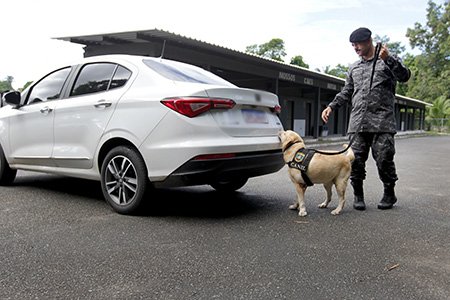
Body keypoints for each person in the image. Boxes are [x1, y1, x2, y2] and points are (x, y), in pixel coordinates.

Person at [321, 27, 411, 210]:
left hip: (382, 122)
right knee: (355, 161)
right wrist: (331, 106)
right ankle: (358, 195)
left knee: (384, 159)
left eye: (358, 44)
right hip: (358, 123)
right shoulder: (354, 67)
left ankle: (389, 193)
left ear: (369, 41)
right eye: (353, 45)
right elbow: (347, 91)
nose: (355, 48)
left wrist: (389, 59)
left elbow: (405, 76)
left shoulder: (386, 61)